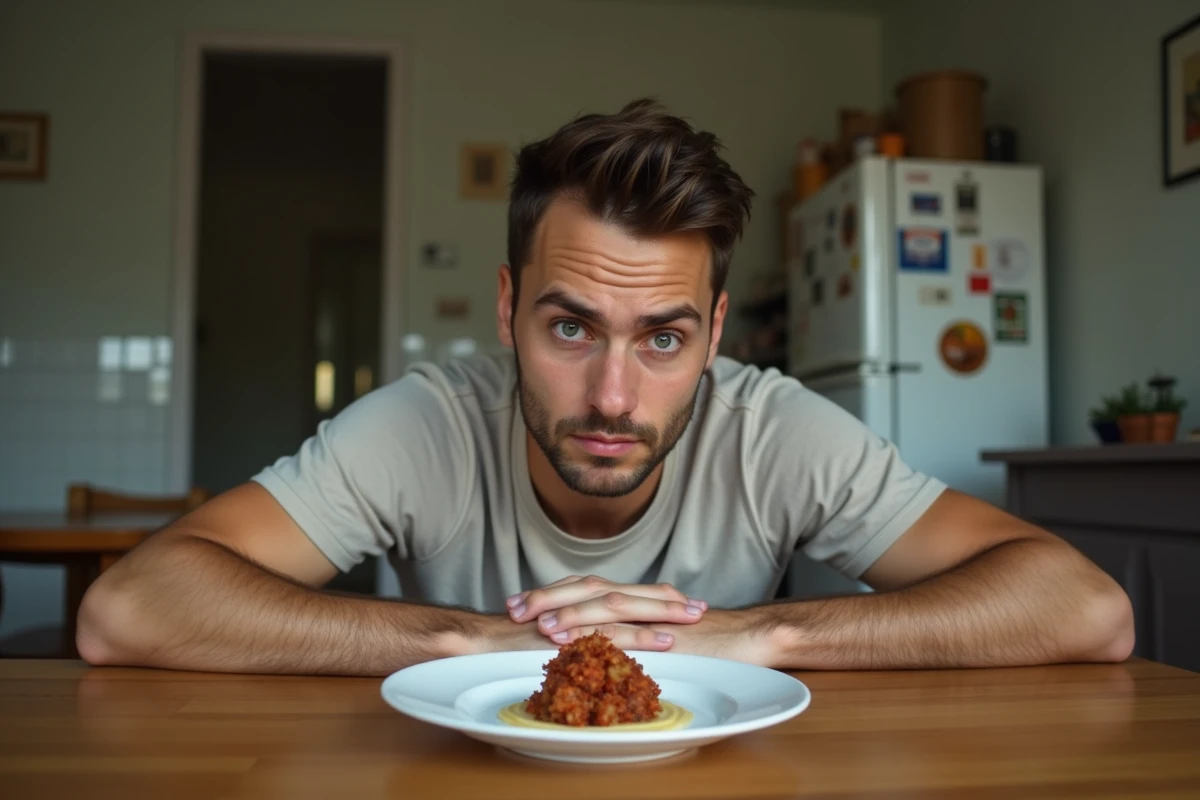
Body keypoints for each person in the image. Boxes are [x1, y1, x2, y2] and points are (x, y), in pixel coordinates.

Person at [77, 99, 1134, 676]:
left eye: (665, 337)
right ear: (506, 310)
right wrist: (471, 636)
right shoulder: (424, 423)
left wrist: (763, 633)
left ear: (717, 330)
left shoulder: (774, 428)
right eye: (572, 325)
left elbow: (1087, 609)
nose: (615, 394)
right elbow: (127, 611)